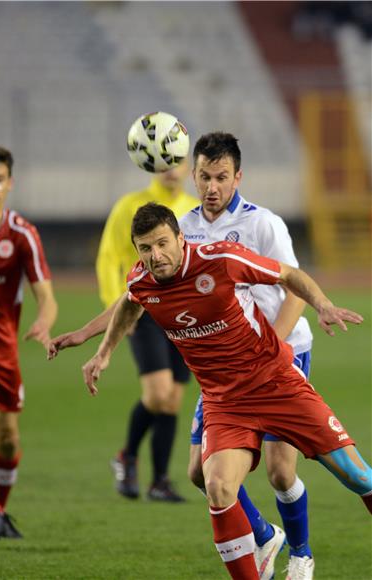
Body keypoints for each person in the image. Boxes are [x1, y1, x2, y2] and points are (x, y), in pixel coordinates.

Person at [50, 202, 371, 580]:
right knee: (216, 486)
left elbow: (287, 273)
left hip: (276, 384)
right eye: (145, 249)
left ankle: (291, 545)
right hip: (225, 401)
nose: (156, 256)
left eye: (162, 244)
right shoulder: (142, 281)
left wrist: (322, 303)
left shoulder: (220, 259)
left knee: (356, 476)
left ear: (180, 239)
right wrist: (101, 352)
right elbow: (129, 304)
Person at [180, 132, 314, 579]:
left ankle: (301, 554)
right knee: (200, 473)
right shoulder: (183, 229)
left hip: (283, 351)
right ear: (192, 175)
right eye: (204, 176)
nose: (212, 186)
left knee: (279, 472)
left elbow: (294, 287)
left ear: (238, 176)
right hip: (225, 367)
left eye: (221, 176)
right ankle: (262, 534)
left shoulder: (263, 224)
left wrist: (271, 349)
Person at [0, 145, 58, 543]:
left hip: (2, 347)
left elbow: (47, 296)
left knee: (7, 440)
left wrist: (43, 322)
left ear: (10, 184)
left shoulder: (21, 233)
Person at [96, 162, 197, 501]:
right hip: (144, 309)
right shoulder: (129, 206)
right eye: (165, 162)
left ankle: (160, 481)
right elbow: (108, 258)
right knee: (157, 393)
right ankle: (126, 455)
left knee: (171, 401)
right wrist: (118, 310)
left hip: (183, 313)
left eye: (178, 161)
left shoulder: (193, 209)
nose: (172, 169)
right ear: (151, 162)